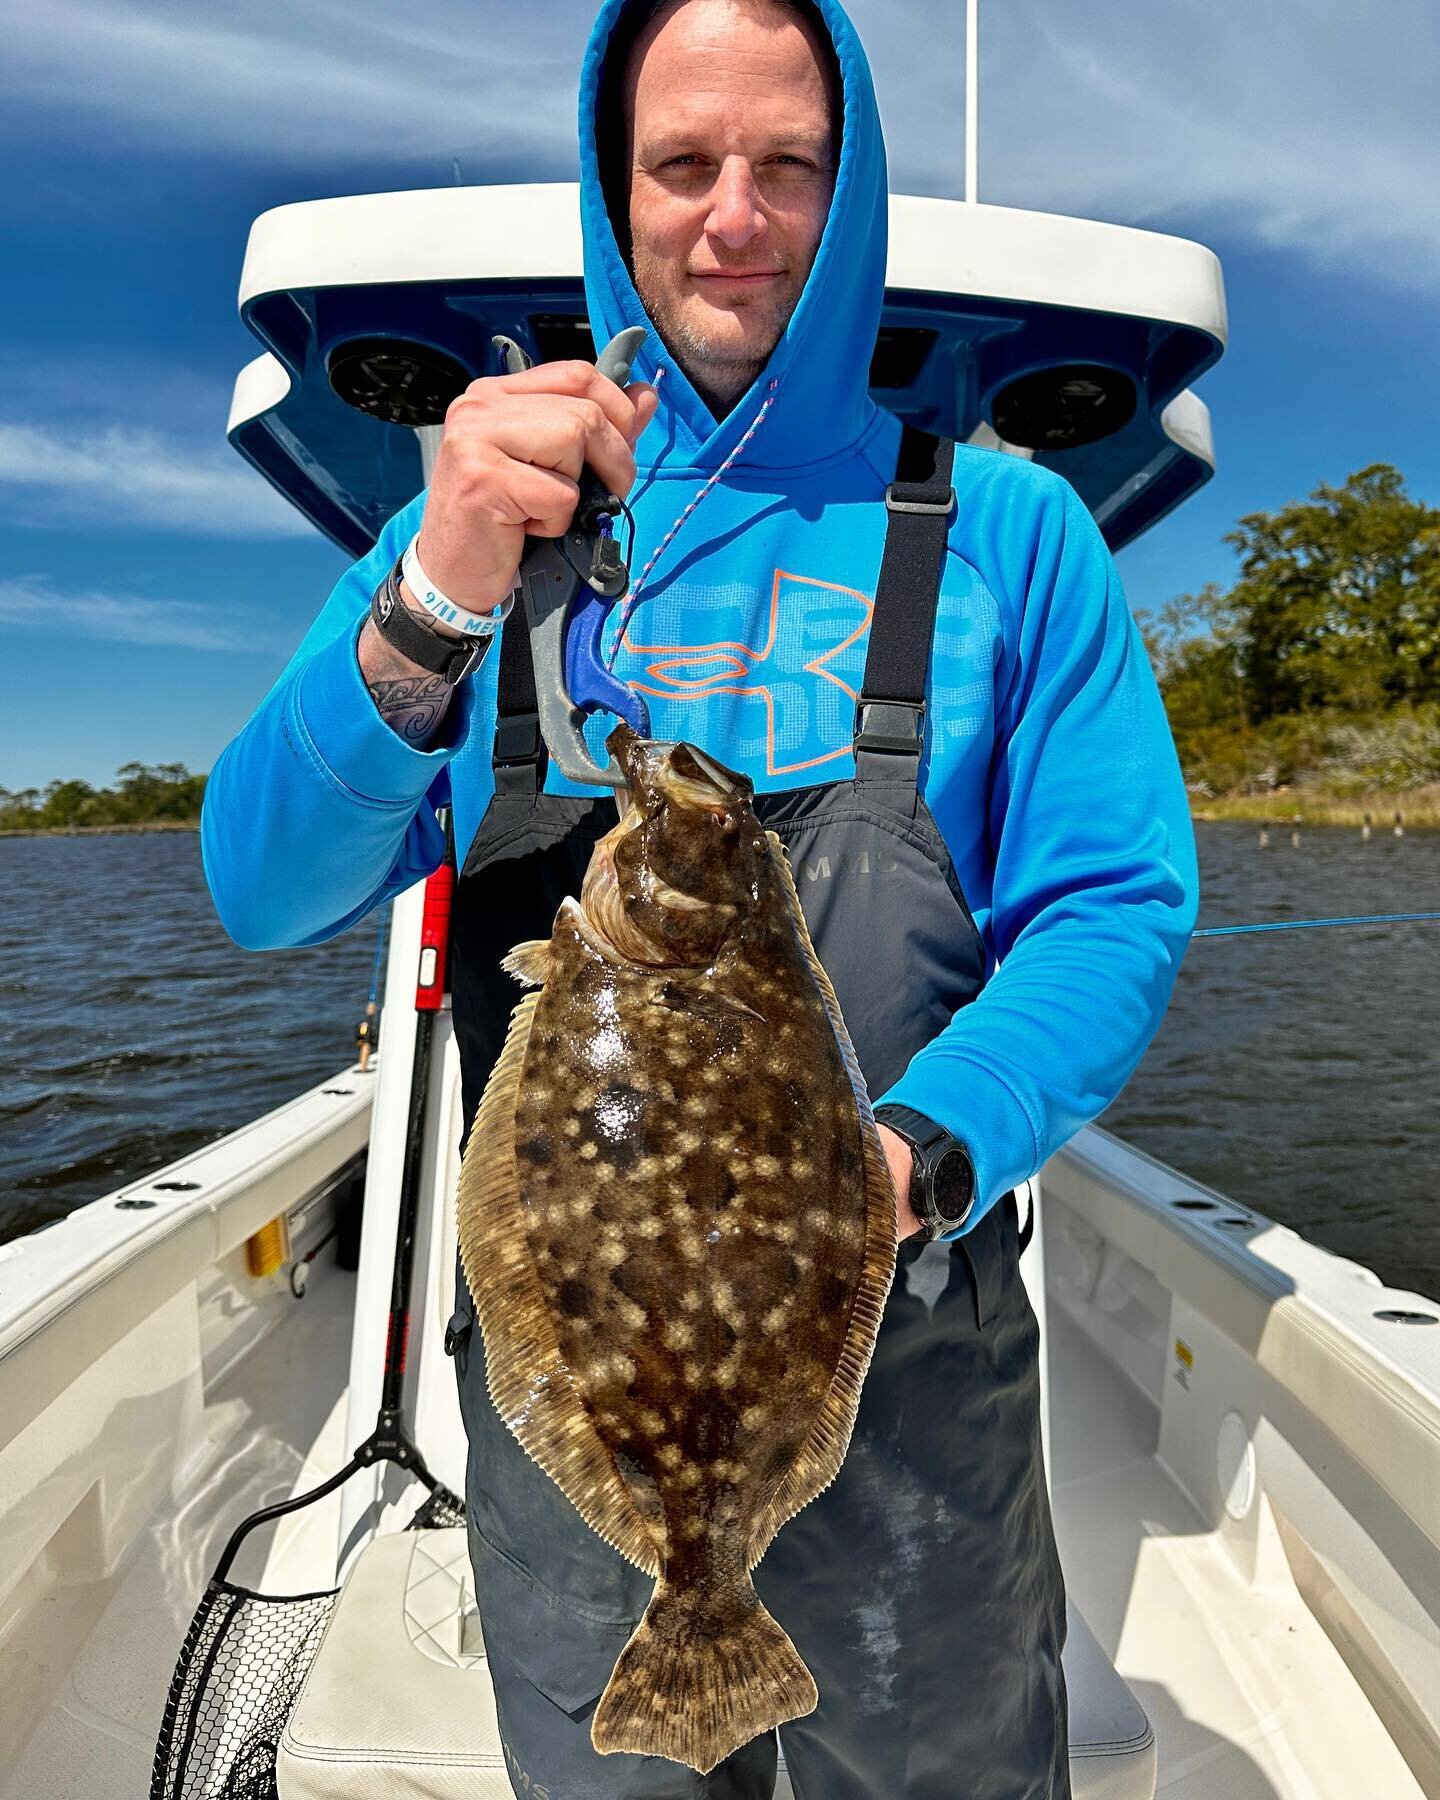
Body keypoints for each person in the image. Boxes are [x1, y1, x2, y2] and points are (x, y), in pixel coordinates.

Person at [203, 0, 1198, 1792]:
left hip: (909, 1365)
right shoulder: (477, 520)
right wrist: (433, 593)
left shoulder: (1004, 527)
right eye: (682, 164)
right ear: (616, 189)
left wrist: (916, 1154)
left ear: (850, 185)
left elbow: (1114, 906)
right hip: (582, 1396)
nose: (733, 214)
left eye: (787, 164)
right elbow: (262, 890)